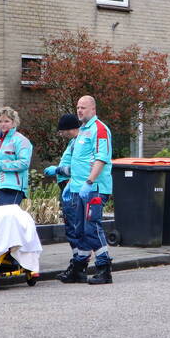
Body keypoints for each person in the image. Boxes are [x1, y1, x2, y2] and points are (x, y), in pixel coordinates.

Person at [57, 96, 113, 286]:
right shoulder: (82, 132)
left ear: (93, 109)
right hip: (79, 188)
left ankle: (104, 269)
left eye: (83, 108)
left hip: (94, 188)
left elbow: (101, 158)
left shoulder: (99, 129)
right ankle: (79, 269)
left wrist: (89, 182)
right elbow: (78, 162)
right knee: (80, 230)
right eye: (78, 107)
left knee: (91, 228)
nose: (79, 111)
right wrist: (72, 185)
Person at [0, 106, 32, 207]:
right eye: (0, 121)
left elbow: (24, 163)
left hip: (11, 188)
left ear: (14, 122)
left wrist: (1, 165)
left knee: (6, 221)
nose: (2, 124)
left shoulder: (21, 140)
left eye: (6, 121)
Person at [43, 113, 81, 193]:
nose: (61, 134)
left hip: (70, 184)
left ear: (69, 129)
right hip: (67, 183)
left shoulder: (79, 143)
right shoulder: (73, 141)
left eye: (61, 131)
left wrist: (57, 170)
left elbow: (77, 168)